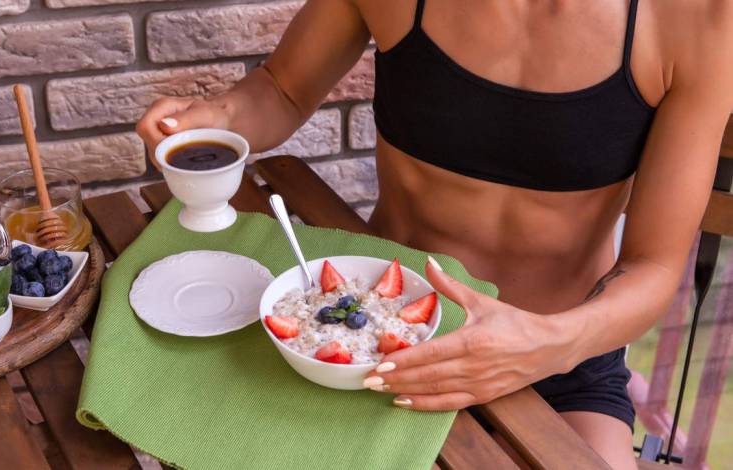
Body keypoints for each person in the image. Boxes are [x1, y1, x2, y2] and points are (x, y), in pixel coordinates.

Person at [137, 1, 733, 467]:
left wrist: (549, 343)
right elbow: (282, 89)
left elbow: (654, 267)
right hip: (375, 337)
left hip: (558, 358)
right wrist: (218, 117)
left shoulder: (699, 17)